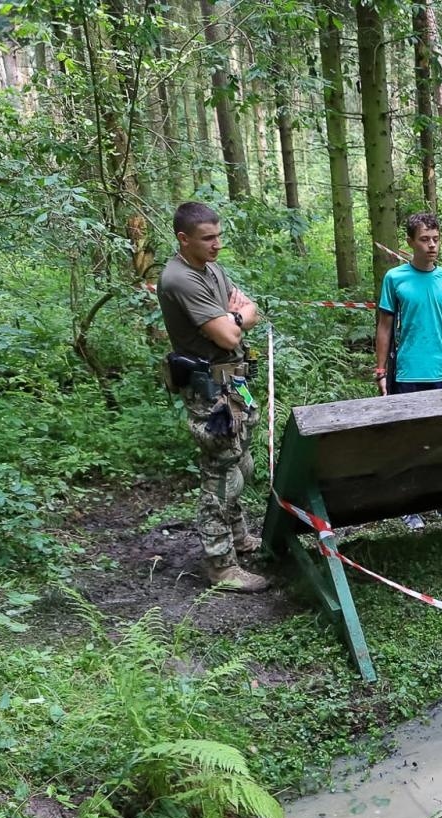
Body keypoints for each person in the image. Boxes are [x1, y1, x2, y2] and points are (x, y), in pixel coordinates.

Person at [156, 201, 267, 593]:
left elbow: (250, 309)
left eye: (219, 235)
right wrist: (237, 320)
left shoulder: (211, 268)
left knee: (241, 466)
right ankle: (220, 566)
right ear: (183, 239)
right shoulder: (180, 278)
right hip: (210, 392)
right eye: (208, 238)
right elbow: (229, 335)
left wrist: (237, 317)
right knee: (220, 475)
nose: (217, 244)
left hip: (234, 383)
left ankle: (239, 538)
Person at [374, 212, 442, 531]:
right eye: (424, 240)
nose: (431, 245)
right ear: (410, 243)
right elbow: (384, 327)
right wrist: (380, 370)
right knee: (410, 440)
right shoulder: (395, 279)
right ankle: (410, 506)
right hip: (406, 373)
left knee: (441, 438)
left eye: (435, 239)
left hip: (440, 371)